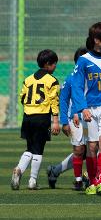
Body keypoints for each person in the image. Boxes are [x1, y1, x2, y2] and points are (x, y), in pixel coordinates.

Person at [71, 21, 101, 195]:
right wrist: (82, 108)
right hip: (90, 108)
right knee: (92, 147)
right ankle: (92, 182)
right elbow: (76, 86)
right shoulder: (84, 61)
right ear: (96, 41)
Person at [11, 49, 60, 190]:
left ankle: (19, 169)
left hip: (27, 117)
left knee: (30, 148)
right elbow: (53, 102)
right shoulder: (52, 81)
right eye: (54, 64)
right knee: (38, 150)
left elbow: (22, 97)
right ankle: (32, 180)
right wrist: (55, 121)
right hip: (42, 118)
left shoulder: (28, 79)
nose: (55, 66)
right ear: (48, 64)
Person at [47, 47, 89, 190]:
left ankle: (88, 176)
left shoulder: (95, 76)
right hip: (76, 118)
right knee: (79, 150)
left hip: (92, 118)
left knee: (92, 149)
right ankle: (78, 179)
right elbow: (63, 100)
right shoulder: (71, 78)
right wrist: (63, 121)